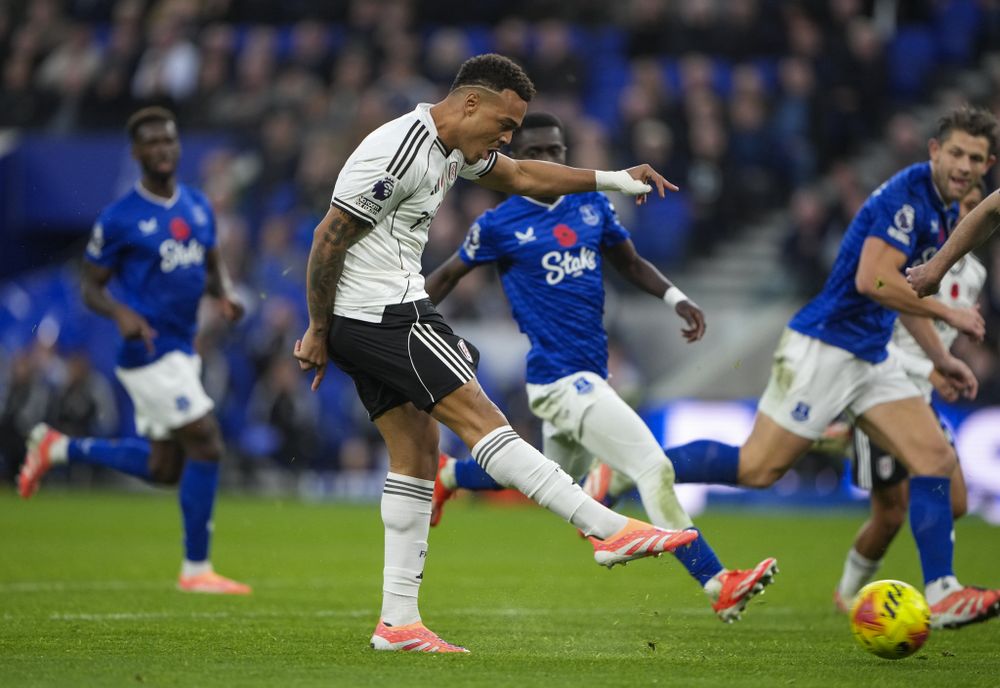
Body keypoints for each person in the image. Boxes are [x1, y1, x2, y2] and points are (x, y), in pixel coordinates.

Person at [293, 54, 698, 654]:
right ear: (471, 103)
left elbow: (525, 178)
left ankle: (397, 624)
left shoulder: (454, 148)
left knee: (418, 452)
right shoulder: (398, 151)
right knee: (484, 421)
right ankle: (606, 528)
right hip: (383, 313)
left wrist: (615, 178)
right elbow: (328, 237)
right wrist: (318, 329)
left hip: (374, 313)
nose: (509, 138)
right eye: (506, 124)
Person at [600, 106, 1000, 629]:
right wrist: (948, 313)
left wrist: (942, 356)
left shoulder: (947, 209)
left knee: (935, 461)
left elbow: (899, 295)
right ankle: (630, 468)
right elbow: (872, 281)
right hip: (827, 346)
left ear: (987, 164)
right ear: (933, 151)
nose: (964, 166)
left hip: (871, 354)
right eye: (955, 154)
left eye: (975, 158)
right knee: (759, 468)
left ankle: (942, 591)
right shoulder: (909, 196)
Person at [425, 112, 777, 623]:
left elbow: (629, 262)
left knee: (548, 478)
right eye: (537, 152)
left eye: (557, 151)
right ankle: (718, 582)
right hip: (562, 378)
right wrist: (407, 321)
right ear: (517, 160)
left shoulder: (590, 204)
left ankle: (451, 474)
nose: (549, 160)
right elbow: (448, 275)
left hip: (586, 374)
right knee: (654, 467)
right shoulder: (500, 223)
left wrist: (677, 298)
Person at [18, 106, 251, 596]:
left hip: (181, 350)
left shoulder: (196, 205)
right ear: (137, 152)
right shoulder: (120, 218)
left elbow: (211, 264)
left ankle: (57, 446)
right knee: (206, 441)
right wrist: (120, 313)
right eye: (153, 143)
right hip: (147, 351)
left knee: (164, 469)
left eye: (169, 140)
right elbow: (90, 286)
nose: (163, 149)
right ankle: (196, 570)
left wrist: (224, 293)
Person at [833, 181, 988, 611]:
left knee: (956, 500)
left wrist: (948, 362)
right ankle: (847, 596)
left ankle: (941, 587)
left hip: (924, 396)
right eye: (962, 203)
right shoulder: (915, 258)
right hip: (884, 389)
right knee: (889, 516)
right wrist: (930, 369)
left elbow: (937, 334)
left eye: (976, 206)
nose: (967, 211)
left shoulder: (975, 273)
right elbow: (880, 332)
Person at [907, 187, 1000, 297]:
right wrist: (951, 313)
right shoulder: (910, 250)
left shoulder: (977, 272)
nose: (960, 213)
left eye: (971, 207)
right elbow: (882, 284)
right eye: (954, 204)